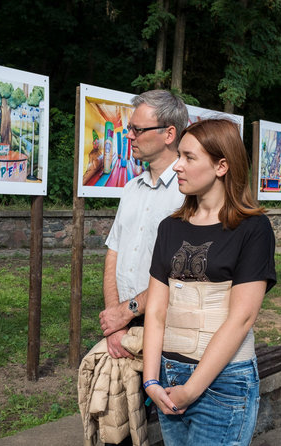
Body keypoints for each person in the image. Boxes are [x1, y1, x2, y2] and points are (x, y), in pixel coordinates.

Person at [142, 118, 277, 446]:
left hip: (224, 384)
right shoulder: (170, 228)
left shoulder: (253, 229)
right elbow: (157, 310)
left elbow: (241, 319)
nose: (177, 166)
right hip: (168, 378)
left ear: (221, 166)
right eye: (179, 156)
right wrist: (151, 381)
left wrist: (191, 390)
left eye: (189, 157)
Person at [98, 90, 188, 446]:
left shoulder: (187, 193)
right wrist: (113, 318)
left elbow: (180, 274)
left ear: (169, 134)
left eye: (137, 129)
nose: (129, 135)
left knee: (170, 427)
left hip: (168, 330)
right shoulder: (131, 188)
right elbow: (113, 253)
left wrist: (126, 312)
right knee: (117, 428)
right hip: (123, 325)